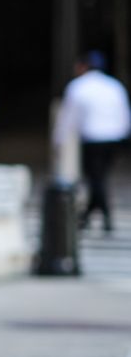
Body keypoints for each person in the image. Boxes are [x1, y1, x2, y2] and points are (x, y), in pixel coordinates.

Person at [54, 51, 131, 231]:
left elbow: (67, 118)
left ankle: (105, 216)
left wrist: (59, 139)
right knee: (99, 176)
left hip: (93, 138)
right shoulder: (114, 86)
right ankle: (88, 215)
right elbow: (124, 114)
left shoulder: (78, 86)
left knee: (96, 178)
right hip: (114, 137)